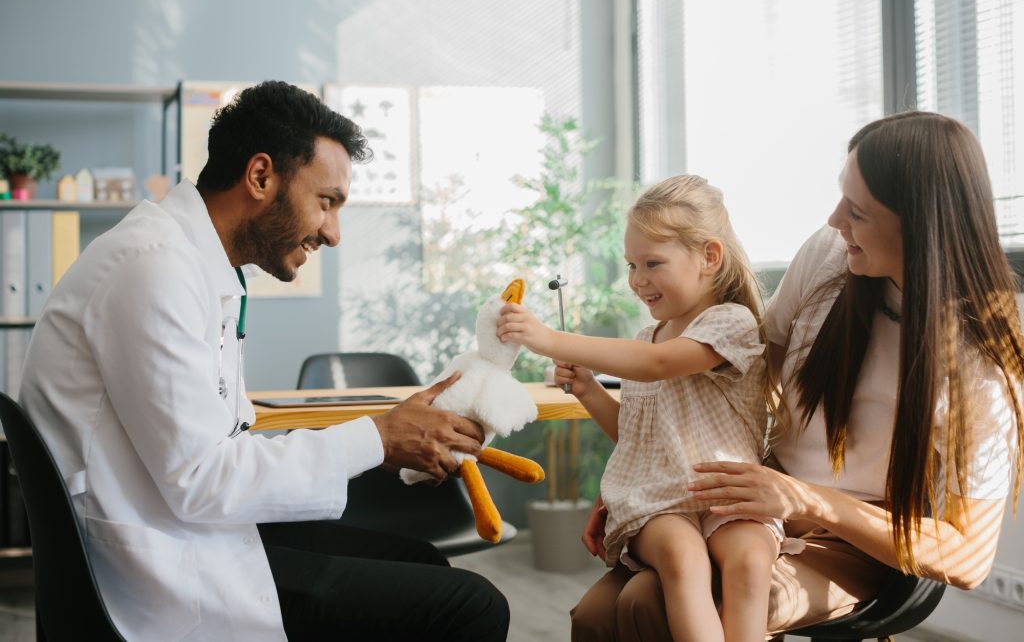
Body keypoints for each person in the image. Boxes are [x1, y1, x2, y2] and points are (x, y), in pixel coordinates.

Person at [19, 81, 509, 641]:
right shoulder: (152, 268)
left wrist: (385, 442)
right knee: (473, 607)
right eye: (326, 201)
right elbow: (202, 479)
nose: (333, 232)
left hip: (183, 525)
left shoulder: (195, 265)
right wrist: (377, 437)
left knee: (420, 560)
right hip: (160, 565)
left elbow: (219, 446)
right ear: (260, 177)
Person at [566, 111, 1024, 641]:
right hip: (755, 489)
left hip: (856, 534)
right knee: (595, 617)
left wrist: (806, 500)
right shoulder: (831, 257)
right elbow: (742, 383)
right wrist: (647, 482)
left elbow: (966, 558)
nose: (833, 220)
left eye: (856, 210)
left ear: (919, 223)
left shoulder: (979, 368)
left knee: (653, 602)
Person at [498, 175, 795, 641]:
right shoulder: (645, 342)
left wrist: (548, 338)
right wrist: (590, 391)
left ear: (709, 257)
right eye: (631, 265)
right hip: (658, 503)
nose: (637, 280)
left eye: (652, 263)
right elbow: (639, 435)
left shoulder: (730, 324)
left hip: (725, 494)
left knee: (750, 560)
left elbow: (658, 365)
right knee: (683, 557)